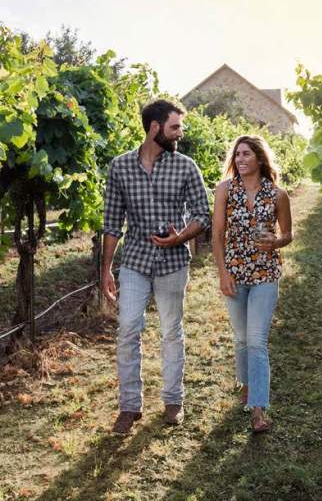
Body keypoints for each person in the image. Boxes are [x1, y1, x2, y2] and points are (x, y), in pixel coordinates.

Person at [101, 99, 210, 434]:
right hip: (134, 260)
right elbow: (111, 222)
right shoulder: (120, 167)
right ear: (154, 127)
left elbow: (202, 214)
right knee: (128, 329)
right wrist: (106, 268)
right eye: (175, 126)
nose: (180, 132)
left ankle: (173, 401)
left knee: (171, 331)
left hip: (173, 262)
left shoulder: (186, 166)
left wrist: (180, 238)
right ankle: (129, 406)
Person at [212, 135, 292, 433]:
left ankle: (258, 409)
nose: (240, 159)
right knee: (242, 339)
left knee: (257, 341)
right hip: (234, 273)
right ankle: (246, 383)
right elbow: (217, 235)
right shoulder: (224, 190)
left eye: (246, 154)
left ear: (259, 158)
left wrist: (277, 242)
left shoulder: (277, 194)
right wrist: (222, 273)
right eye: (237, 155)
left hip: (265, 274)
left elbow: (287, 234)